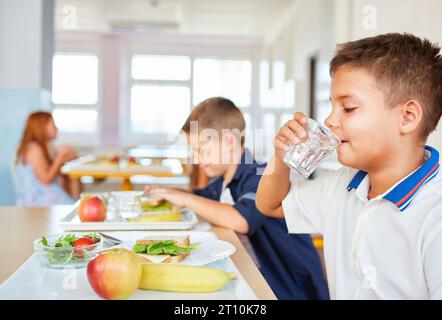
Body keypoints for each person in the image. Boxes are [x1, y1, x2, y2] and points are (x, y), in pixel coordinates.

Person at [256, 33, 442, 299]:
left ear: (408, 117)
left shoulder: (435, 215)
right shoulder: (341, 184)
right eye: (332, 106)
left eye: (349, 107)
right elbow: (269, 205)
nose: (329, 120)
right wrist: (280, 157)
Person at [145, 97, 329, 300]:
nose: (196, 159)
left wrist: (184, 199)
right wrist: (172, 195)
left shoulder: (259, 175)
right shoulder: (222, 181)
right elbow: (203, 203)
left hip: (289, 288)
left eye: (201, 150)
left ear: (229, 142)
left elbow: (241, 220)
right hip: (254, 276)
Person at [14, 111, 79, 206]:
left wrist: (69, 158)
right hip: (38, 200)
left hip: (48, 196)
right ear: (42, 127)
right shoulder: (34, 149)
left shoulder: (47, 147)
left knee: (75, 200)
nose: (57, 128)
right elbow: (46, 180)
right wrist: (60, 157)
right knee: (74, 207)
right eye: (53, 125)